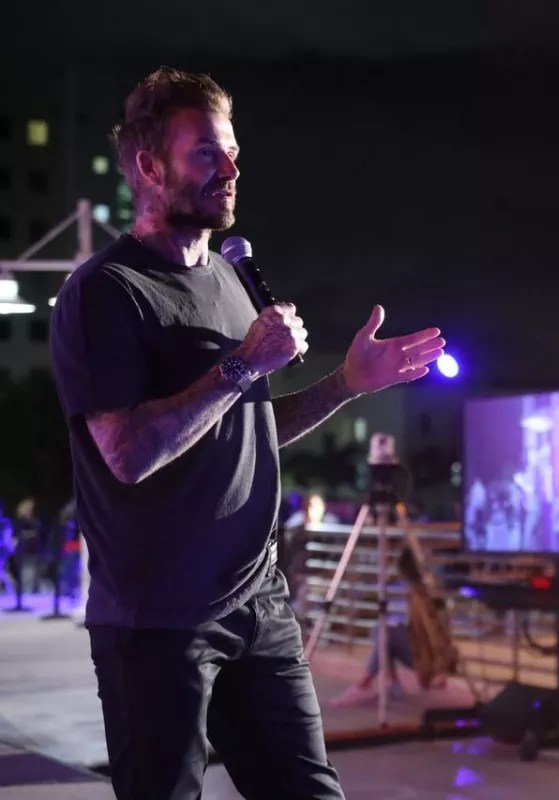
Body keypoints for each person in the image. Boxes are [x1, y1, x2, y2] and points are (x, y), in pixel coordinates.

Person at [49, 68, 445, 800]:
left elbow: (248, 431)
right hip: (159, 621)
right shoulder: (105, 293)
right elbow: (127, 454)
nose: (230, 170)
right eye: (206, 152)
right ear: (149, 167)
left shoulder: (231, 281)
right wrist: (240, 365)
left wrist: (345, 384)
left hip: (258, 602)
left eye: (232, 152)